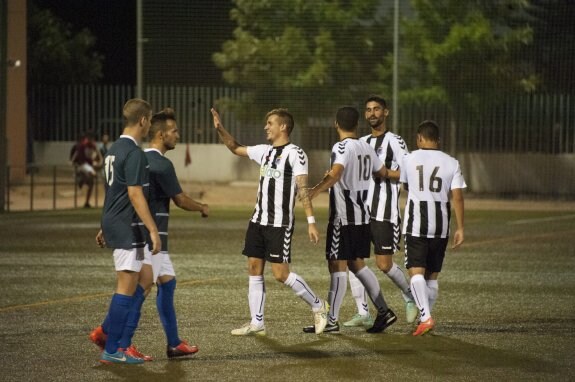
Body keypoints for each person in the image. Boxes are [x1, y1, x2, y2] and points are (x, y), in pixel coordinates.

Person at [90, 108, 208, 360]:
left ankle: (173, 343)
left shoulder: (127, 154)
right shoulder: (153, 162)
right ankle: (118, 342)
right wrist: (201, 207)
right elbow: (174, 199)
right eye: (174, 131)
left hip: (138, 232)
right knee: (139, 287)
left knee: (166, 282)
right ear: (159, 132)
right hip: (147, 237)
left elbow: (117, 195)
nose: (178, 135)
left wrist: (108, 224)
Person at [210, 107, 329, 336]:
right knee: (254, 268)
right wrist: (220, 129)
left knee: (280, 274)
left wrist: (311, 221)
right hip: (258, 220)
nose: (266, 127)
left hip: (280, 223)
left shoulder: (296, 153)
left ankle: (318, 305)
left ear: (283, 126)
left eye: (270, 123)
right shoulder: (264, 151)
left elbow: (303, 188)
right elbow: (235, 147)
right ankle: (257, 322)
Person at [303, 106, 396, 334]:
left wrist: (314, 191)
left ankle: (331, 320)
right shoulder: (366, 146)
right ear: (357, 124)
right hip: (363, 216)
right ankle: (384, 310)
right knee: (357, 264)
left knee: (337, 265)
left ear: (336, 124)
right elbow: (382, 171)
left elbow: (336, 173)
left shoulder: (341, 146)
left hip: (344, 217)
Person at [92, 98, 161, 364]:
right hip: (127, 227)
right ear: (143, 120)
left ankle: (108, 334)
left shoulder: (113, 149)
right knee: (126, 286)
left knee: (145, 278)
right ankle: (113, 349)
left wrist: (104, 223)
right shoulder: (133, 152)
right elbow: (133, 193)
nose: (149, 125)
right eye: (150, 119)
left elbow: (113, 191)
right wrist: (153, 230)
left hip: (117, 222)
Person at [344, 95, 418, 329]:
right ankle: (363, 312)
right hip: (360, 212)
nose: (372, 113)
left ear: (386, 113)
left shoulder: (395, 141)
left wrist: (386, 173)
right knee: (353, 261)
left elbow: (408, 173)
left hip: (384, 212)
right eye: (368, 110)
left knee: (384, 264)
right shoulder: (362, 142)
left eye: (377, 109)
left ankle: (409, 296)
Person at [400, 120, 466, 336]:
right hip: (442, 227)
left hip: (416, 224)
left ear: (419, 138)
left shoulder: (408, 158)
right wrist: (461, 228)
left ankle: (426, 317)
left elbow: (407, 187)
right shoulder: (452, 162)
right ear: (438, 140)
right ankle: (424, 316)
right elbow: (457, 196)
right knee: (432, 277)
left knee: (415, 272)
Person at [70, 131, 102, 208]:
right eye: (90, 138)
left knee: (91, 184)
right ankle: (81, 179)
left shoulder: (93, 145)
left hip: (89, 165)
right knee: (93, 174)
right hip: (82, 164)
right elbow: (77, 153)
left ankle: (86, 202)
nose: (91, 139)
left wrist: (100, 161)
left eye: (92, 138)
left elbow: (98, 154)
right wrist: (72, 161)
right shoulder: (83, 145)